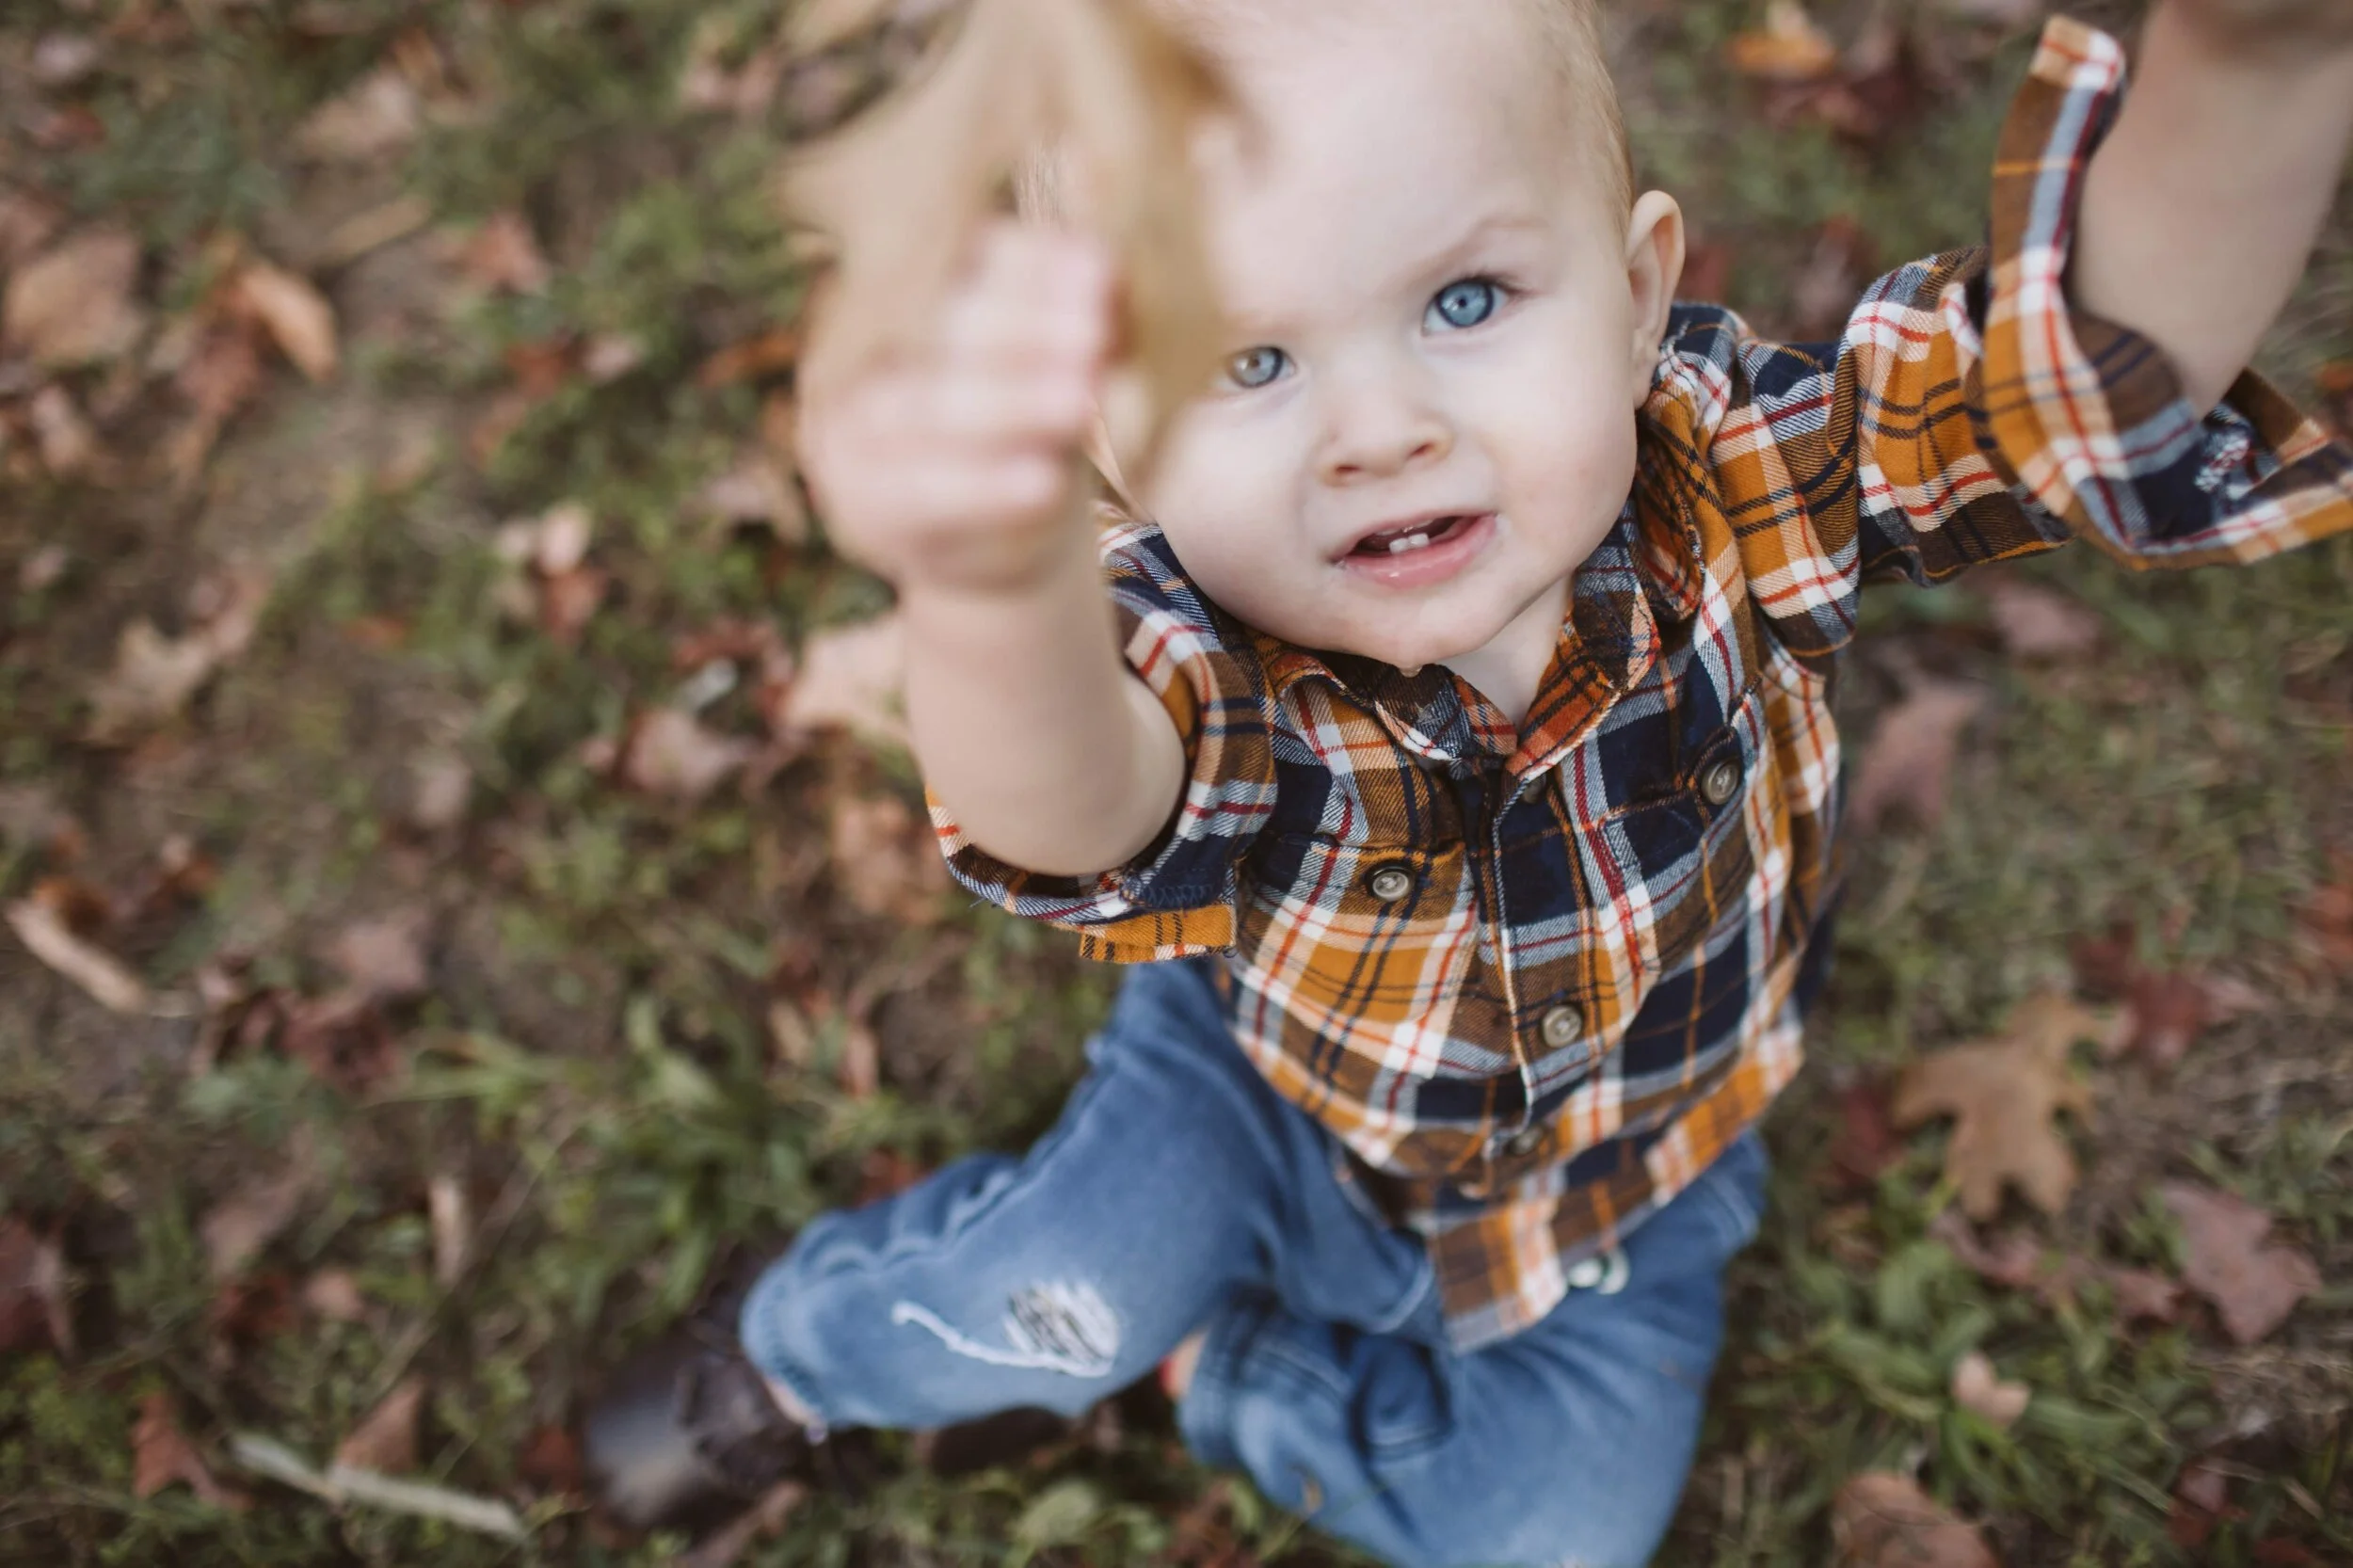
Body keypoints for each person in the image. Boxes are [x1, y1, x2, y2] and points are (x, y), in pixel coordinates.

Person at [583, 1, 2353, 1561]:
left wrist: (2261, 65)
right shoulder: (1206, 643)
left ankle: (1239, 1371)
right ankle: (810, 1346)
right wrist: (988, 590)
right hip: (1261, 1112)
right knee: (1068, 1295)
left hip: (1636, 1167)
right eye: (1251, 361)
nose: (1381, 425)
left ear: (1641, 289)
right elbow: (1076, 811)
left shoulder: (1735, 486)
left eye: (1467, 297)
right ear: (1114, 445)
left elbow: (2060, 401)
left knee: (1557, 1533)